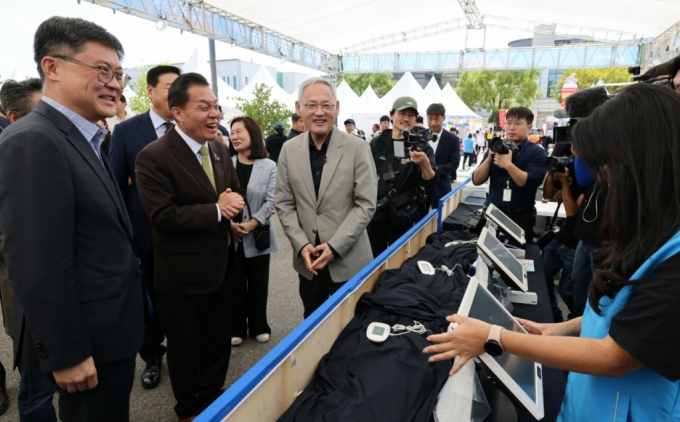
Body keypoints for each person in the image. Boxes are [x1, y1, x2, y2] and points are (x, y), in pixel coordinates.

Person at [425, 84, 680, 421]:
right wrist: (562, 329)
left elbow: (614, 356)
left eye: (606, 167)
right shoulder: (647, 230)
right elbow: (627, 314)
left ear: (644, 163)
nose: (603, 182)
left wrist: (493, 336)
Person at [0, 16, 144, 421]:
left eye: (119, 74)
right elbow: (35, 262)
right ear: (52, 67)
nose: (115, 84)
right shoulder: (33, 140)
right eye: (102, 70)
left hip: (108, 332)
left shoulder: (86, 136)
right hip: (84, 345)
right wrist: (68, 353)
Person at [135, 73, 245, 421]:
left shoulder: (219, 148)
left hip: (221, 267)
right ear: (178, 112)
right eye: (204, 107)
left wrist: (233, 216)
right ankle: (187, 409)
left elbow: (233, 191)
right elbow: (163, 215)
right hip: (180, 277)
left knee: (216, 343)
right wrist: (217, 210)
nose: (215, 114)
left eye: (216, 106)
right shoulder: (153, 156)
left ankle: (213, 396)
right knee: (184, 350)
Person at [275, 77, 377, 318]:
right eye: (311, 105)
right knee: (313, 326)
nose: (319, 112)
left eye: (326, 105)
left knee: (353, 327)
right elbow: (284, 203)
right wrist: (301, 244)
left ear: (337, 107)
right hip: (309, 262)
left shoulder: (357, 148)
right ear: (299, 108)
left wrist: (334, 247)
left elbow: (366, 204)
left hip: (349, 260)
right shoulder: (289, 150)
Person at [108, 64, 181, 390]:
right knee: (146, 300)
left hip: (185, 232)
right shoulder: (127, 131)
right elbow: (115, 187)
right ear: (150, 91)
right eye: (169, 87)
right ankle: (152, 356)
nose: (176, 93)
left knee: (182, 296)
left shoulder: (189, 127)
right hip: (143, 232)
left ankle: (184, 350)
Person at [0, 77, 57, 420]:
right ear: (14, 118)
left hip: (67, 295)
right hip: (28, 296)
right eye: (43, 113)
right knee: (36, 389)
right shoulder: (9, 156)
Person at [229, 116, 279, 346]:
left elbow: (273, 200)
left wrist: (252, 223)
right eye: (232, 132)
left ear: (253, 135)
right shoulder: (226, 163)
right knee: (235, 284)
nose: (235, 136)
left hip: (258, 234)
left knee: (259, 283)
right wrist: (231, 226)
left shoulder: (268, 165)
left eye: (239, 131)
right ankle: (237, 326)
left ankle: (259, 324)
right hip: (232, 235)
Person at [367, 97, 437, 257]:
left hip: (404, 215)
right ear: (391, 115)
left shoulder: (421, 145)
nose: (406, 118)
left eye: (411, 115)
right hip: (376, 213)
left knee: (400, 262)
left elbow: (432, 180)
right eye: (402, 113)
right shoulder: (378, 143)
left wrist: (425, 163)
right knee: (372, 260)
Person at [472, 107, 547, 242]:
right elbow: (476, 180)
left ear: (529, 127)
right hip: (493, 214)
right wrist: (489, 158)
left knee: (519, 256)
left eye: (518, 123)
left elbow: (531, 182)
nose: (511, 127)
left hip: (520, 217)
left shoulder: (537, 152)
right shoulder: (497, 147)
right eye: (508, 123)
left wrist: (508, 166)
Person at [541, 162, 586, 323]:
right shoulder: (573, 169)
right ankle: (555, 315)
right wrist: (552, 172)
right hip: (561, 238)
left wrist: (565, 182)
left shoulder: (588, 178)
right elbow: (547, 194)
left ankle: (580, 322)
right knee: (541, 277)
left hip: (577, 244)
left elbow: (572, 212)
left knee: (568, 290)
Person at [420, 103, 460, 208]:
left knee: (441, 220)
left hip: (441, 187)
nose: (433, 123)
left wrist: (434, 169)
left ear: (443, 118)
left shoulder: (452, 139)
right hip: (420, 188)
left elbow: (454, 163)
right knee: (420, 221)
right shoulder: (420, 135)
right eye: (430, 119)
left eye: (437, 119)